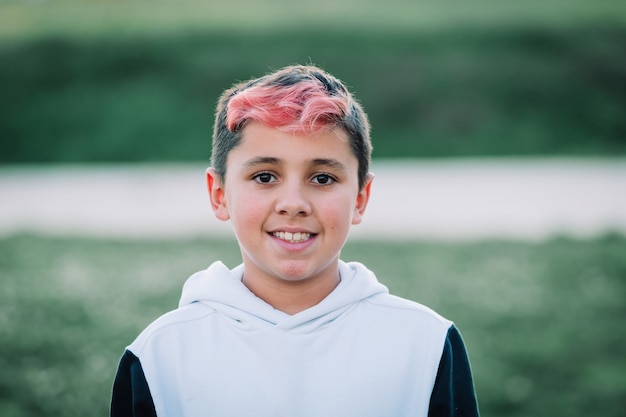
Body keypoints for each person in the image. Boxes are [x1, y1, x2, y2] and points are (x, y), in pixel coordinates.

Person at [110, 64, 480, 417]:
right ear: (219, 194)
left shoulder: (426, 344)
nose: (293, 204)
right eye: (265, 176)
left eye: (322, 179)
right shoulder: (160, 355)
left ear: (360, 198)